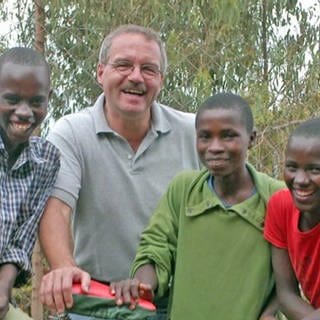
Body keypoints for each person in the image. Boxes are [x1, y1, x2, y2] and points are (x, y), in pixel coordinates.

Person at [38, 24, 200, 319]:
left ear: (160, 80)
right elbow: (57, 209)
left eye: (148, 69)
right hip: (97, 300)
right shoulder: (72, 132)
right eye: (123, 64)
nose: (136, 77)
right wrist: (63, 267)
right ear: (101, 73)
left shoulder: (196, 133)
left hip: (177, 300)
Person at [111, 93, 286, 320]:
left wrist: (270, 313)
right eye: (205, 137)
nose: (215, 147)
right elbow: (156, 247)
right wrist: (141, 284)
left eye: (228, 136)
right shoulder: (184, 190)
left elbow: (294, 274)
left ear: (251, 138)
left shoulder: (276, 198)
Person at [0, 47, 60, 319]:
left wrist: (3, 291)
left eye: (36, 102)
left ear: (48, 100)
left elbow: (20, 240)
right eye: (11, 99)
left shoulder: (45, 160)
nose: (24, 112)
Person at [264, 117, 320, 320]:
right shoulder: (281, 206)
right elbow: (286, 294)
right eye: (292, 167)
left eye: (315, 169)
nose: (301, 180)